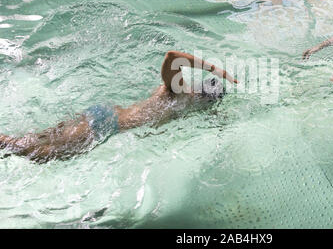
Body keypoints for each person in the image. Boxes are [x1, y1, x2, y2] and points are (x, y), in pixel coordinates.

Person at [0, 50, 238, 163]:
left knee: (34, 140)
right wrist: (216, 69)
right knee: (43, 153)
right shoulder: (181, 91)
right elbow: (172, 57)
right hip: (107, 124)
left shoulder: (186, 105)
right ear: (204, 96)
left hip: (107, 116)